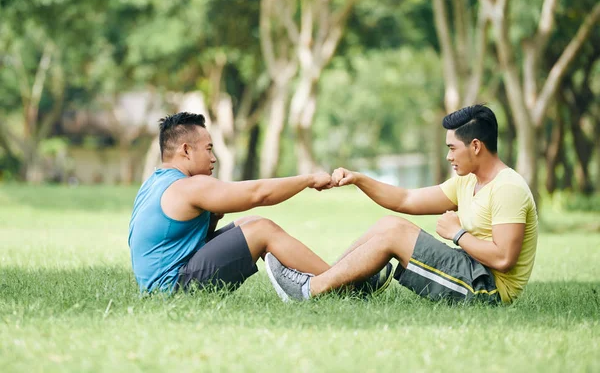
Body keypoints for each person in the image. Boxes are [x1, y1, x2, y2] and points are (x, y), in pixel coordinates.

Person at [265, 104, 538, 305]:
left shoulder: (508, 188)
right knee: (389, 224)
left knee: (395, 234)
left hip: (488, 291)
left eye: (452, 148)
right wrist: (360, 180)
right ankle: (339, 283)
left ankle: (309, 290)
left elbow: (504, 259)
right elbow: (406, 200)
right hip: (471, 269)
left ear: (476, 146)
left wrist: (458, 234)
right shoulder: (467, 182)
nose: (448, 156)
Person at [128, 112, 388, 294]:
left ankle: (331, 278)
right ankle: (347, 284)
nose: (214, 158)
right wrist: (308, 179)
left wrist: (214, 217)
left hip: (161, 286)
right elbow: (258, 194)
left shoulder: (153, 184)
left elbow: (180, 243)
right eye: (208, 149)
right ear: (186, 150)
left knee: (247, 223)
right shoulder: (187, 186)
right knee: (260, 229)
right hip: (172, 289)